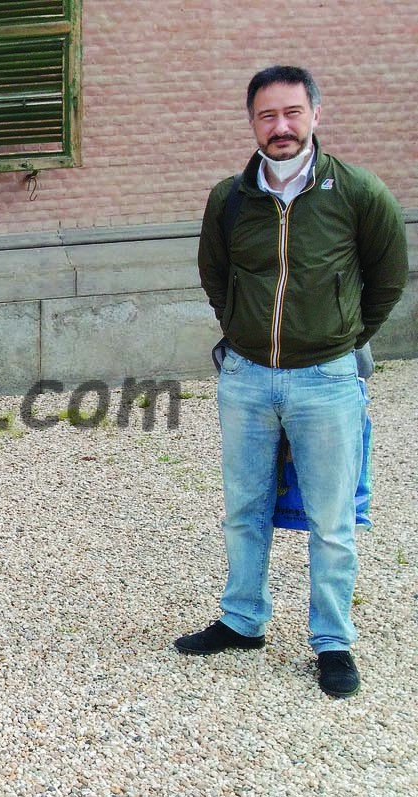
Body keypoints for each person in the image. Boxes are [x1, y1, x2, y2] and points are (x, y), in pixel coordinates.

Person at [182, 66, 407, 697]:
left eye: (292, 113)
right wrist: (242, 330)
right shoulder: (230, 199)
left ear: (314, 115)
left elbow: (388, 278)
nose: (280, 127)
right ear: (252, 123)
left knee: (331, 519)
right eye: (267, 116)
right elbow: (215, 274)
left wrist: (340, 337)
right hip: (247, 378)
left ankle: (333, 640)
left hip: (327, 380)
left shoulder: (358, 193)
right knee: (244, 509)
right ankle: (242, 619)